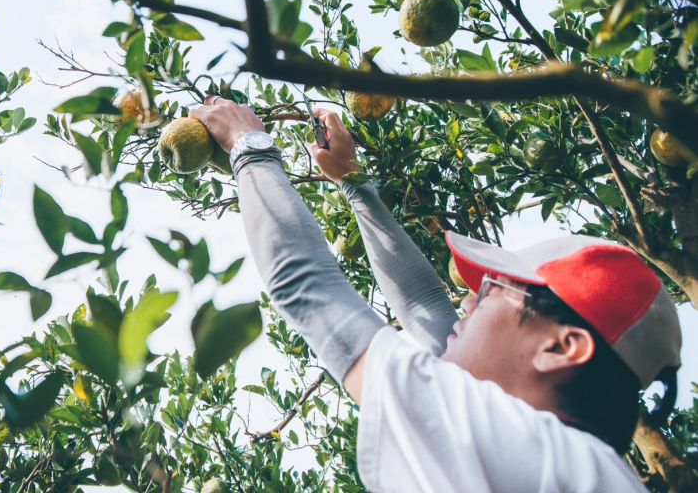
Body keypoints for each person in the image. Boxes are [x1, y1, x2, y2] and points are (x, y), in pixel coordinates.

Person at [190, 96, 683, 492]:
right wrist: (353, 183)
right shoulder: (569, 465)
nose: (466, 301)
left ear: (561, 346)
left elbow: (305, 285)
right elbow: (424, 307)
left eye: (492, 292)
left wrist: (247, 143)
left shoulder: (523, 447)